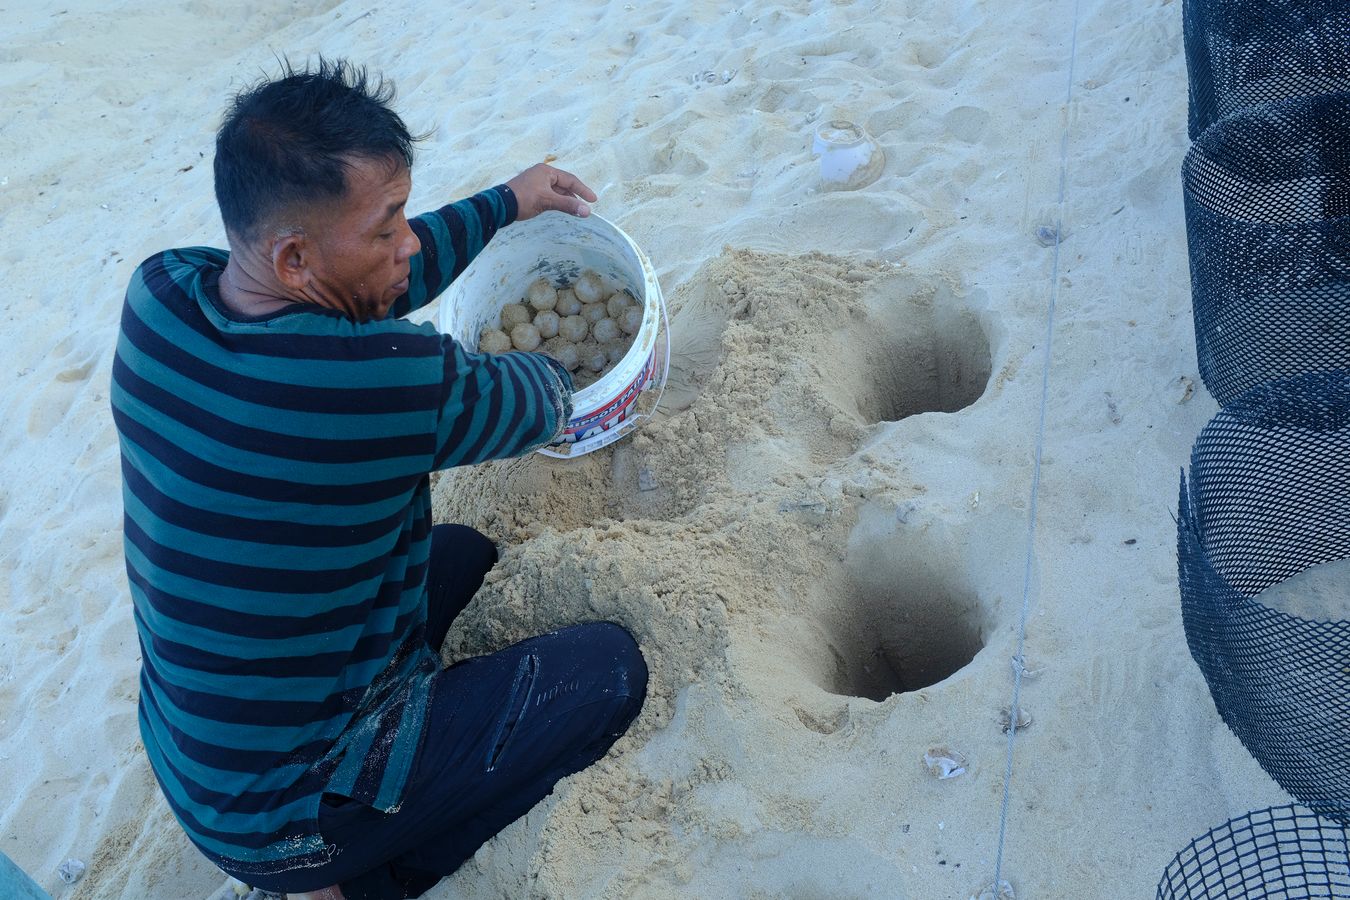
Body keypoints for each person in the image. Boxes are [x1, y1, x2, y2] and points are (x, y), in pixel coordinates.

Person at [110, 58, 648, 900]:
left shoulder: (161, 295)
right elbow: (542, 395)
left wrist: (508, 203)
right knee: (606, 673)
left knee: (461, 552)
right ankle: (356, 876)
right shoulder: (377, 385)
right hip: (286, 807)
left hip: (199, 749)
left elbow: (365, 294)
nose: (408, 246)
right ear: (293, 258)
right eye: (389, 225)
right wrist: (578, 361)